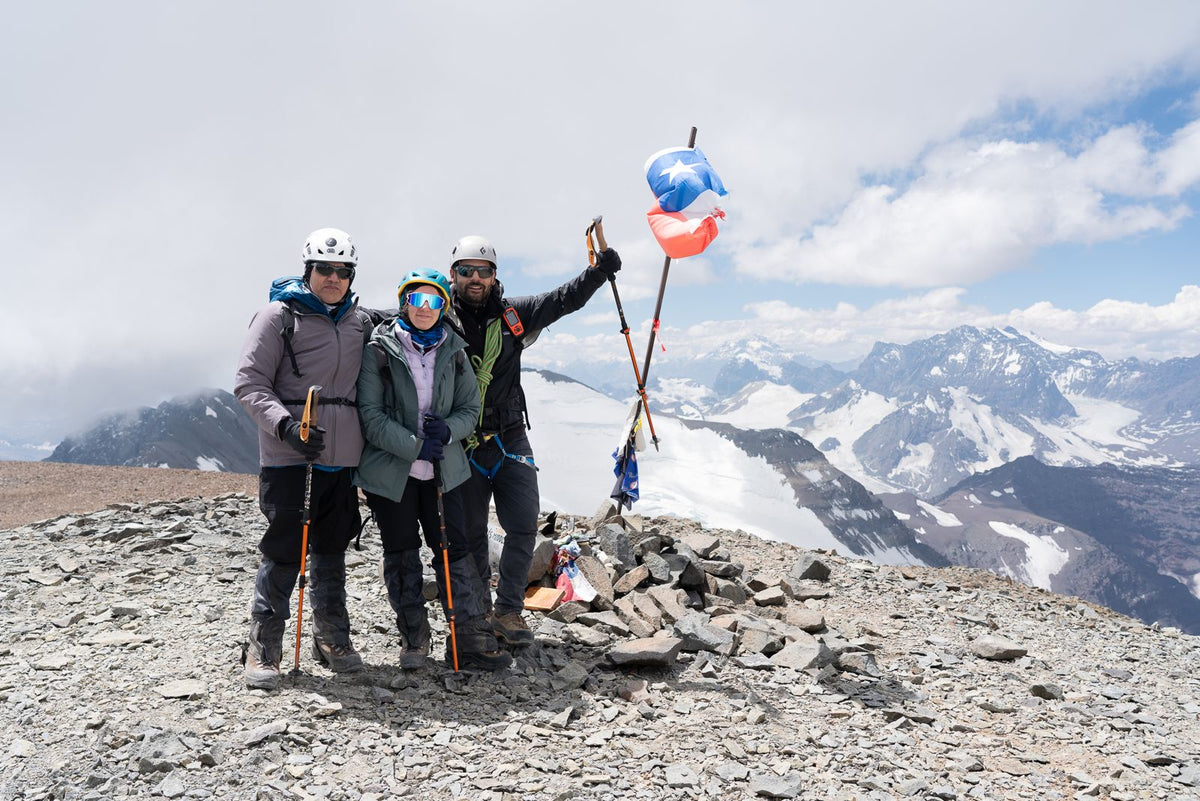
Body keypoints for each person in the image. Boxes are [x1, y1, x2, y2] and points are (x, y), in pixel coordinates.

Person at [449, 234, 621, 646]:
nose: (475, 278)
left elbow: (562, 300)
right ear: (452, 274)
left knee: (524, 525)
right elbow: (384, 317)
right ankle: (476, 614)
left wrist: (596, 274)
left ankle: (508, 610)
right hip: (462, 441)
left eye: (483, 271)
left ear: (494, 276)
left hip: (509, 436)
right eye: (467, 270)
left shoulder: (514, 314)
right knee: (470, 531)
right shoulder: (438, 315)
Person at [234, 227, 371, 690]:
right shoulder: (277, 317)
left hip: (341, 456)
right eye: (324, 269)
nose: (333, 278)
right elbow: (249, 383)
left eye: (342, 271)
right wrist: (287, 427)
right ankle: (264, 645)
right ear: (307, 270)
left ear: (352, 276)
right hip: (289, 456)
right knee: (285, 548)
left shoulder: (359, 322)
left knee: (332, 546)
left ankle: (331, 637)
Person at [354, 269, 511, 671]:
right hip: (395, 473)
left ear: (444, 306)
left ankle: (470, 641)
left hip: (444, 470)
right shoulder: (378, 349)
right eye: (418, 300)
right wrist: (417, 446)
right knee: (401, 550)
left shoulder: (455, 351)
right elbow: (370, 416)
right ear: (404, 301)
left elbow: (469, 409)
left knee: (454, 550)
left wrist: (452, 429)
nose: (426, 309)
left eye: (435, 301)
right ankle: (414, 639)